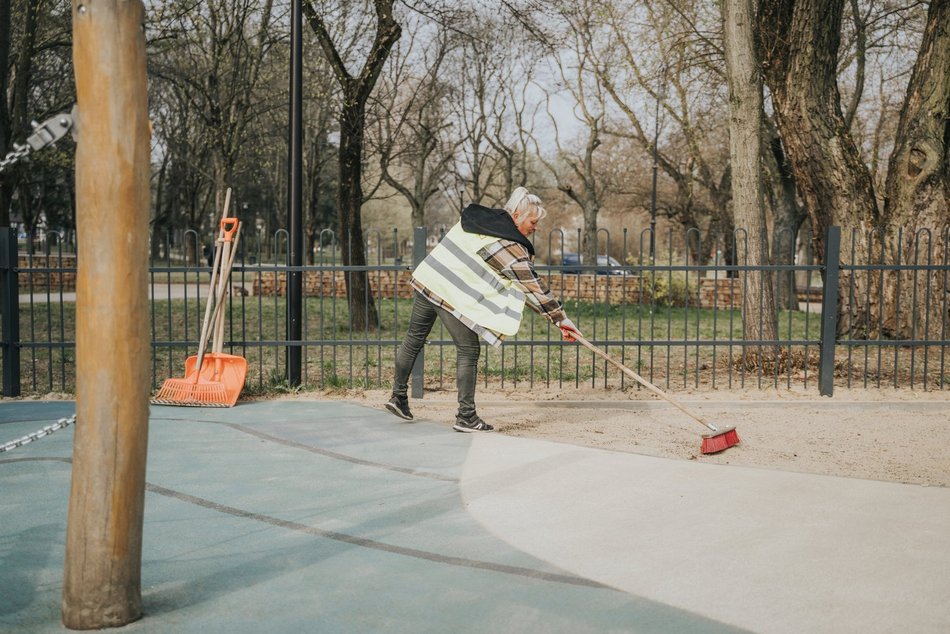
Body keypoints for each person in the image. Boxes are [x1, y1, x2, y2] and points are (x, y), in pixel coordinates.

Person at [385, 187, 581, 432]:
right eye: (533, 221)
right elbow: (534, 286)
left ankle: (397, 397)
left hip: (430, 278)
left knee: (413, 339)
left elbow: (520, 285)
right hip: (447, 291)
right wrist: (561, 318)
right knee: (468, 350)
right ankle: (466, 417)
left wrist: (556, 320)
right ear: (518, 215)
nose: (536, 227)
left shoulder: (481, 221)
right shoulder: (507, 243)